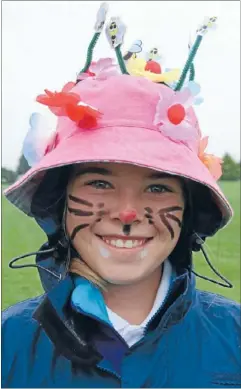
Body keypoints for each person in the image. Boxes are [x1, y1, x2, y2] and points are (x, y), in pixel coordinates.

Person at [2, 4, 240, 388]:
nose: (128, 212)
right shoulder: (8, 344)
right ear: (59, 201)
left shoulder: (235, 338)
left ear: (191, 209)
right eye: (99, 183)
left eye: (158, 187)